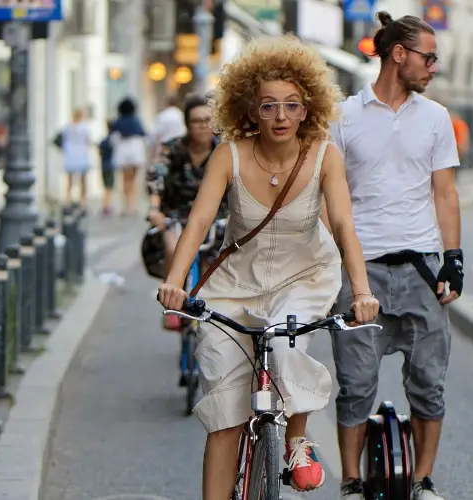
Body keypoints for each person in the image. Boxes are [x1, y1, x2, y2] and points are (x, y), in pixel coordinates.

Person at [155, 35, 379, 499]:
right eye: (269, 106)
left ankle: (296, 436)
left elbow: (342, 224)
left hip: (304, 277)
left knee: (284, 344)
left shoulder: (324, 157)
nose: (281, 116)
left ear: (307, 109)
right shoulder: (229, 154)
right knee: (225, 412)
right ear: (250, 110)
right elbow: (199, 221)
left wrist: (361, 291)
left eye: (291, 106)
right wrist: (175, 282)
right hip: (235, 285)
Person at [329, 12, 463, 500]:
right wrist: (334, 264)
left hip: (421, 269)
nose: (434, 67)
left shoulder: (435, 117)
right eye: (428, 57)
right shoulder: (342, 116)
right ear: (398, 55)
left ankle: (424, 481)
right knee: (356, 385)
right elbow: (331, 198)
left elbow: (445, 193)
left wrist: (454, 259)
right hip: (361, 272)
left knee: (429, 383)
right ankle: (349, 482)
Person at [146, 93, 227, 331]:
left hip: (217, 215)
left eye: (207, 120)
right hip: (177, 213)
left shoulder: (224, 149)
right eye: (196, 121)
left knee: (215, 260)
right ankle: (172, 300)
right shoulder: (172, 149)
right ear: (187, 124)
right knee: (173, 245)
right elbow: (156, 177)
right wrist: (154, 208)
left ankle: (208, 307)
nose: (202, 126)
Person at [111, 97, 147, 216]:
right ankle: (132, 206)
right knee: (133, 180)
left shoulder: (117, 121)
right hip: (135, 151)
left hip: (122, 152)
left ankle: (125, 205)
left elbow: (113, 136)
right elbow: (143, 133)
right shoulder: (136, 120)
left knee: (124, 180)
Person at [61, 108, 92, 211]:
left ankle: (69, 199)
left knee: (70, 179)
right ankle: (82, 201)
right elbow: (88, 141)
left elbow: (64, 140)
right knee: (83, 180)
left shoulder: (68, 127)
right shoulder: (84, 128)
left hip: (71, 154)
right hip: (81, 155)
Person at [98, 120, 115, 216]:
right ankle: (108, 206)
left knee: (106, 187)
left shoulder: (104, 141)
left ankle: (106, 205)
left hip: (104, 165)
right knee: (110, 187)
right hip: (111, 165)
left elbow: (100, 152)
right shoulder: (113, 141)